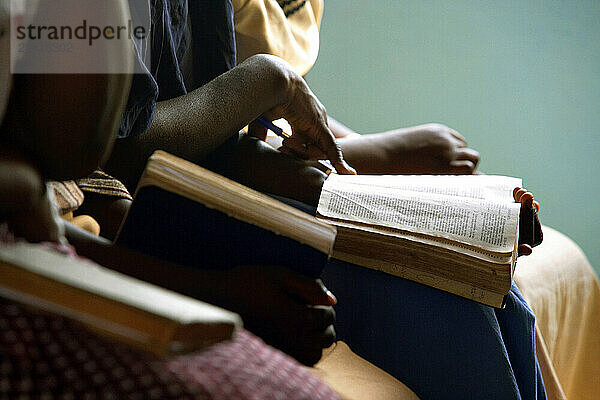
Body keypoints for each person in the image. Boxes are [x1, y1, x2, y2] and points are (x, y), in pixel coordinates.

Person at [89, 2, 548, 399]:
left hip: (202, 179)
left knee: (498, 290)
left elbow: (213, 123)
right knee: (454, 313)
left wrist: (315, 169)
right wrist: (272, 83)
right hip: (165, 203)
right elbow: (112, 146)